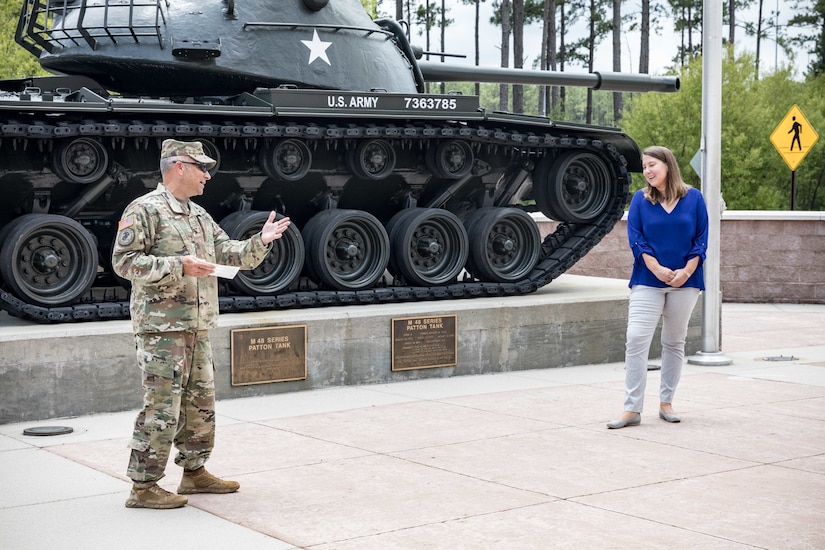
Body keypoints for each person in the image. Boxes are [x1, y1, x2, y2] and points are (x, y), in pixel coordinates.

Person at [112, 139, 292, 508]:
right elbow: (124, 263)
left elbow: (229, 252)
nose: (207, 176)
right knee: (162, 406)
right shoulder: (144, 210)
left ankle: (194, 474)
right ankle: (143, 487)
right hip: (162, 329)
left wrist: (260, 241)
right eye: (201, 168)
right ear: (178, 167)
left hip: (197, 324)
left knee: (200, 404)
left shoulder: (197, 215)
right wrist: (178, 266)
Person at [607, 145, 708, 429]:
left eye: (652, 164)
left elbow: (701, 240)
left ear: (667, 166)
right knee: (636, 339)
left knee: (674, 342)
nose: (647, 171)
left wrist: (686, 271)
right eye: (645, 166)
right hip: (647, 280)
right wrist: (656, 268)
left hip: (686, 282)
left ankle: (666, 403)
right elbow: (636, 239)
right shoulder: (640, 200)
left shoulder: (695, 198)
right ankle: (632, 409)